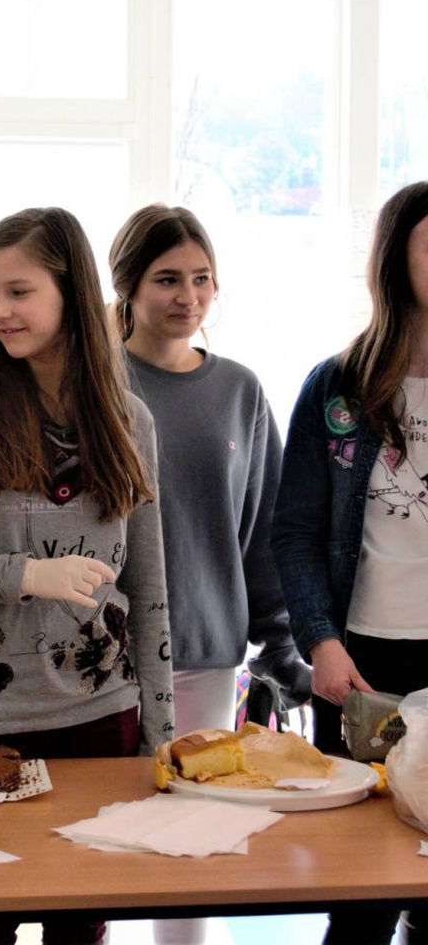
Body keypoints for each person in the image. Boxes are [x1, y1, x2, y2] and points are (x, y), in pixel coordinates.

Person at [0, 207, 173, 945]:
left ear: (69, 292)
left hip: (100, 718)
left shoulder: (130, 419)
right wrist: (26, 575)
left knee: (80, 924)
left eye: (18, 292)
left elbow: (149, 588)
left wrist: (160, 732)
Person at [109, 203, 311, 945]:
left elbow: (263, 529)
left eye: (201, 279)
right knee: (99, 849)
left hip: (205, 654)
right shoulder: (93, 382)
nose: (187, 296)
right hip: (101, 660)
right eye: (167, 279)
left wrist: (280, 643)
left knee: (192, 850)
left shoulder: (240, 391)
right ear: (128, 286)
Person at [272, 181, 428, 945]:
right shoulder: (337, 386)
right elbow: (294, 532)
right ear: (397, 260)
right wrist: (321, 641)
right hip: (363, 665)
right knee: (361, 894)